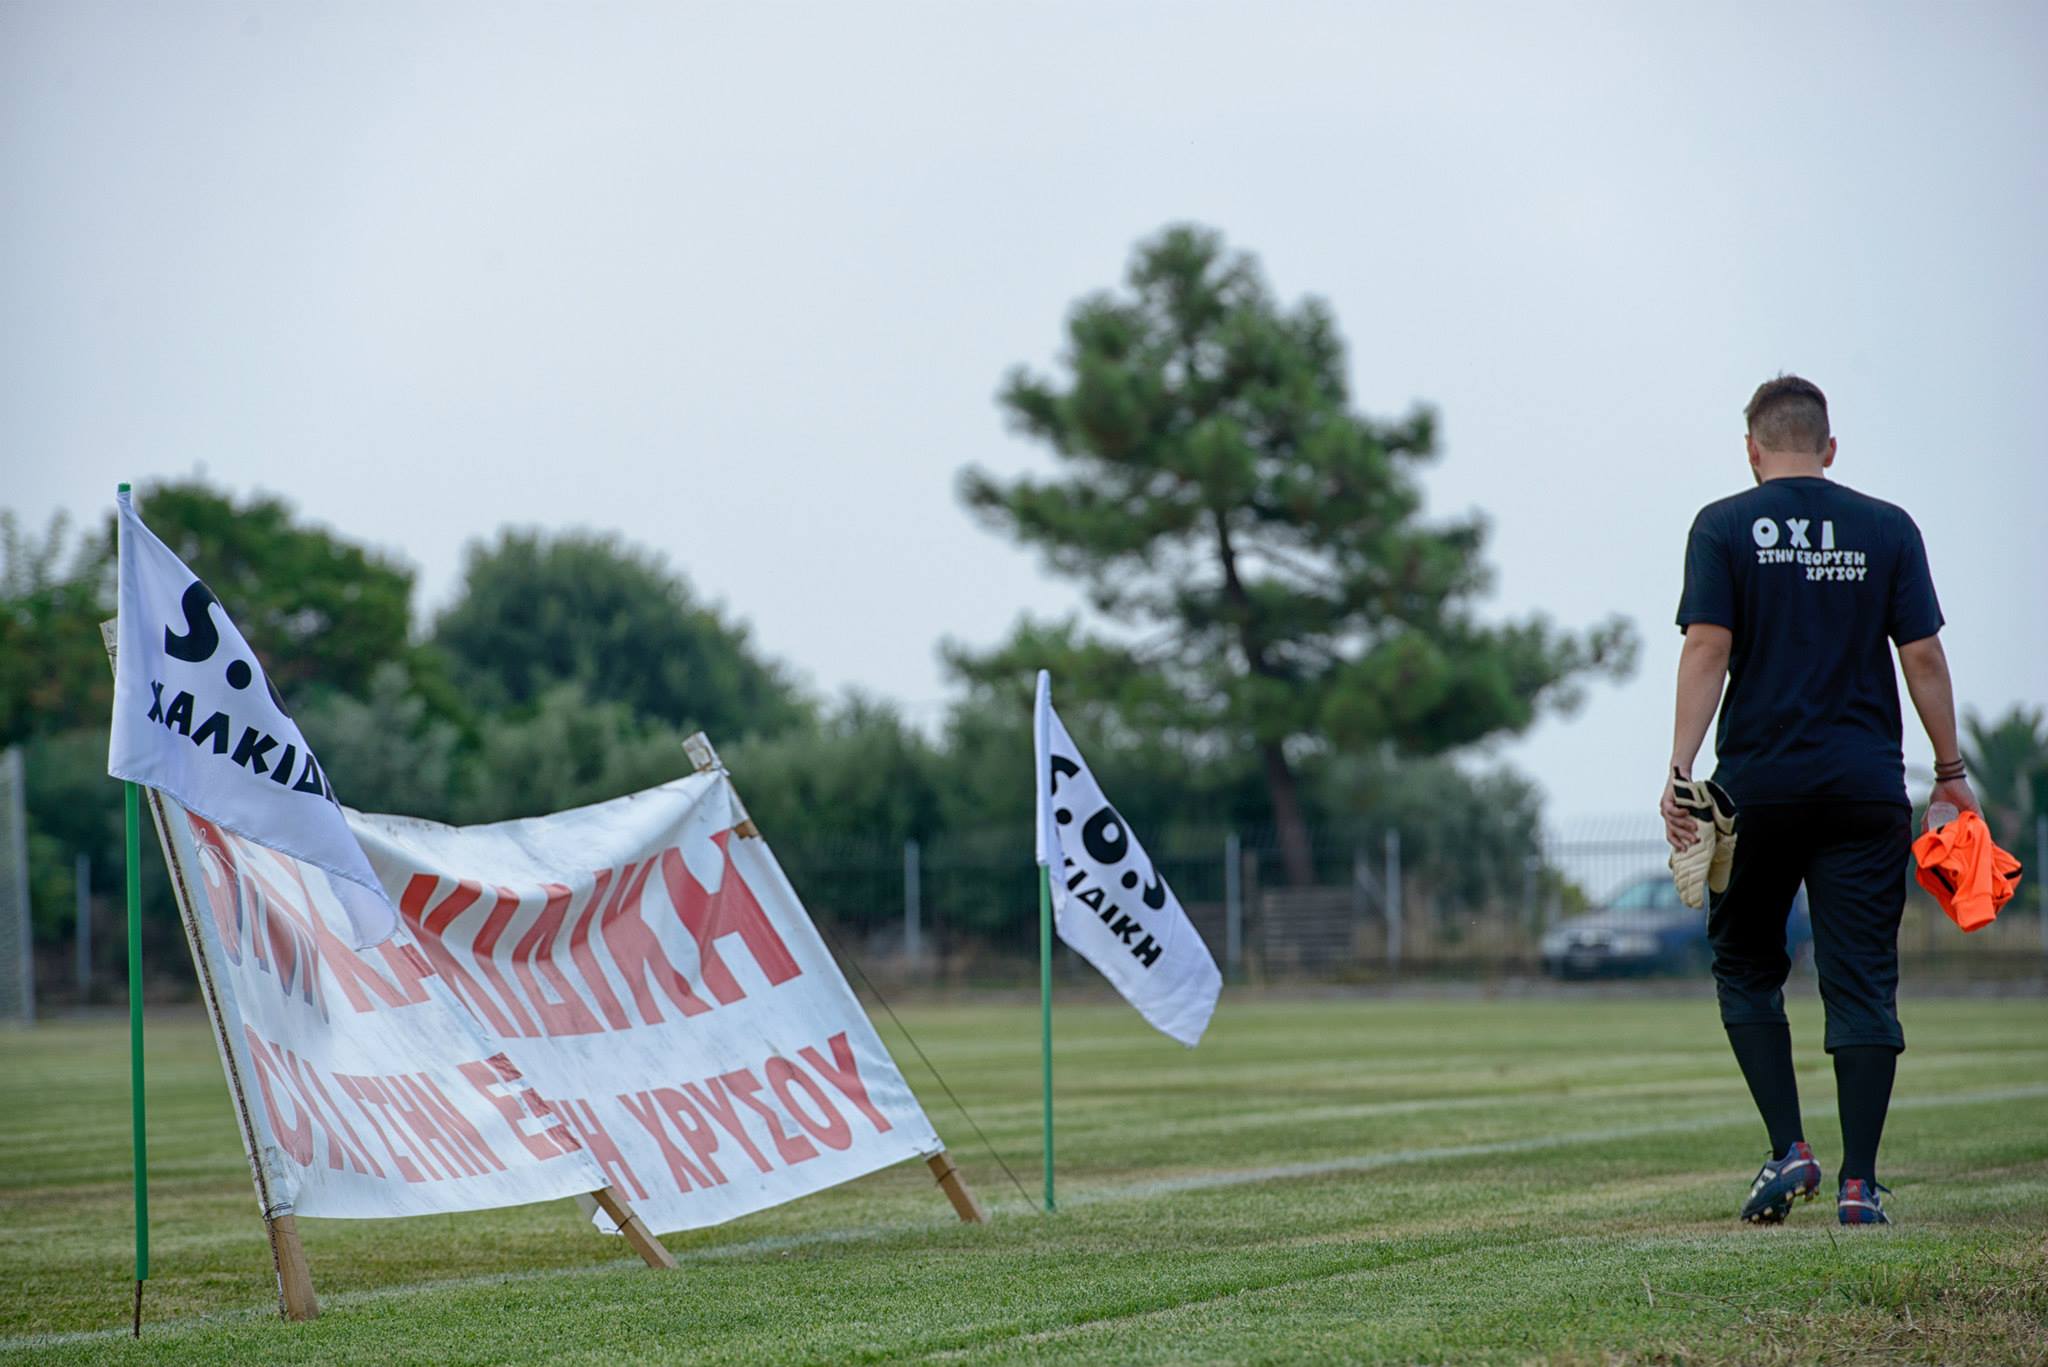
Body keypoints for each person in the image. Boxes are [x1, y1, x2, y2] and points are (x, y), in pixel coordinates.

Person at [1661, 375, 1977, 1226]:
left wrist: (1681, 769)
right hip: (1865, 789)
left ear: (1754, 450)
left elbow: (1706, 647)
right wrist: (1949, 772)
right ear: (1829, 448)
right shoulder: (1887, 527)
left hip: (1758, 787)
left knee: (1746, 967)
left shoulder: (1724, 524)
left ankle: (1788, 1149)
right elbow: (1924, 659)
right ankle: (1859, 1183)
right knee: (1863, 981)